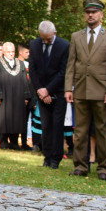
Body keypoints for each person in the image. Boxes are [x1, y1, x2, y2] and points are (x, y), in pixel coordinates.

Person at [65, 0, 106, 180]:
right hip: (81, 89)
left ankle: (104, 168)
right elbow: (71, 64)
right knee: (80, 131)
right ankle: (80, 166)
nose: (90, 15)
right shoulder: (76, 36)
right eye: (88, 12)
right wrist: (68, 88)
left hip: (102, 91)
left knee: (103, 131)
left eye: (94, 12)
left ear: (101, 15)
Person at [28, 21, 69, 169]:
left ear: (55, 33)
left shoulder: (65, 46)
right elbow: (32, 70)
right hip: (41, 92)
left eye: (48, 39)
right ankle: (47, 156)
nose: (45, 42)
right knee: (45, 126)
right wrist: (40, 90)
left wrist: (49, 90)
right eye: (43, 39)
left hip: (58, 91)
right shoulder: (34, 44)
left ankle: (56, 159)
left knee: (57, 125)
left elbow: (63, 72)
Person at [0, 42, 31, 149]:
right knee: (3, 118)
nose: (11, 54)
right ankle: (3, 141)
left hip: (17, 96)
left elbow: (25, 80)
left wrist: (26, 96)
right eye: (8, 52)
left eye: (12, 52)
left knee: (16, 118)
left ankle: (14, 142)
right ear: (4, 52)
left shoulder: (20, 64)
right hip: (3, 96)